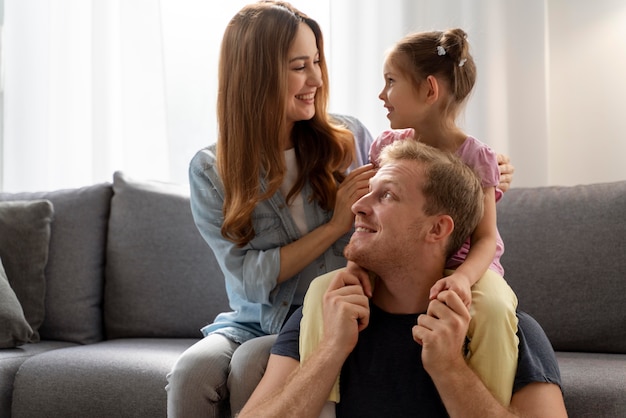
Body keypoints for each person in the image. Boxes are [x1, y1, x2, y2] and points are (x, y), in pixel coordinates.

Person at [166, 2, 516, 416]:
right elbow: (248, 279)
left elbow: (414, 175)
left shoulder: (348, 138)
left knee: (249, 367)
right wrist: (334, 226)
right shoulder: (211, 170)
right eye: (299, 66)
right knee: (191, 371)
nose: (316, 77)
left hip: (341, 299)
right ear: (257, 76)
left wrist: (478, 175)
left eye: (316, 61)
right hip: (257, 316)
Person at [239, 140, 567, 418]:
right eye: (368, 192)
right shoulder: (325, 313)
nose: (357, 206)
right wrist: (330, 351)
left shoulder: (509, 329)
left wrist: (450, 370)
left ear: (437, 229)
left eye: (387, 196)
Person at [300, 28, 519, 406]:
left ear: (429, 90)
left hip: (462, 267)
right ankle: (322, 403)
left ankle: (485, 405)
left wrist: (464, 281)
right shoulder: (388, 144)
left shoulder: (477, 157)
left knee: (496, 306)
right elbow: (372, 216)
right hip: (398, 263)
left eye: (390, 81)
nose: (381, 95)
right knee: (323, 290)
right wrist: (359, 266)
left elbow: (485, 238)